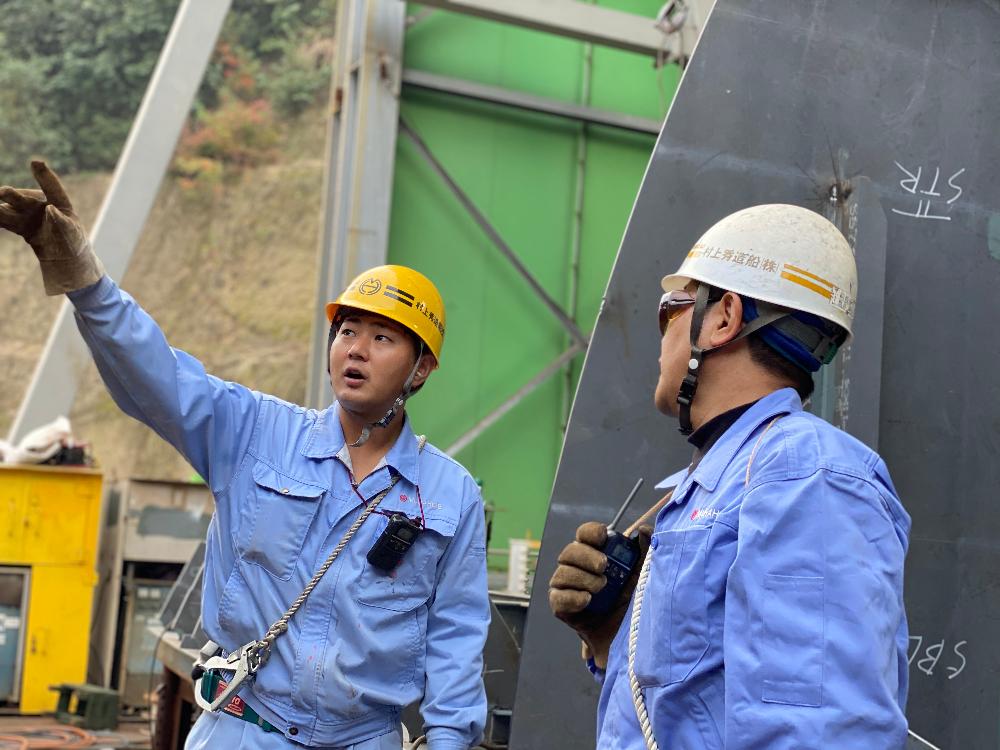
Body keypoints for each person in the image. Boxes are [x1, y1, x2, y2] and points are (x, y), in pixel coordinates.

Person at [0, 161, 489, 750]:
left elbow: (456, 636)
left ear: (422, 367)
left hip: (366, 739)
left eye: (382, 338)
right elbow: (158, 376)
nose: (355, 350)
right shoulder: (256, 432)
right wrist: (85, 282)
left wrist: (448, 741)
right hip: (245, 729)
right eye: (347, 331)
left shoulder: (449, 495)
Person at [548, 204, 911, 748]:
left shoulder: (806, 478)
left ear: (723, 317)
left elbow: (815, 731)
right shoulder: (719, 482)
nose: (662, 336)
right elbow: (686, 711)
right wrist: (609, 638)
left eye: (670, 309)